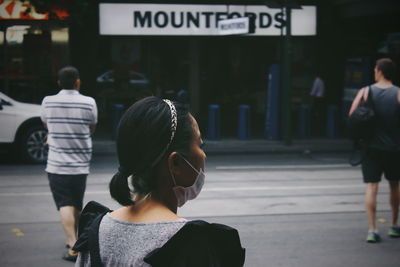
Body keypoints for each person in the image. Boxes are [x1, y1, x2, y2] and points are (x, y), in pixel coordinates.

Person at [73, 96, 245, 266]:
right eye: (200, 145)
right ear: (175, 163)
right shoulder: (190, 246)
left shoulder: (97, 230)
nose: (204, 155)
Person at [41, 66, 98, 260]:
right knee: (76, 202)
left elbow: (46, 125)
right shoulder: (89, 102)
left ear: (59, 83)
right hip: (81, 163)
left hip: (57, 163)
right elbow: (92, 127)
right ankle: (74, 239)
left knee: (65, 203)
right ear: (77, 82)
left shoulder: (48, 102)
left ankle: (73, 245)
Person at [349, 58, 400, 243]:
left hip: (371, 147)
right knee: (395, 185)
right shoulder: (398, 93)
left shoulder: (365, 91)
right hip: (394, 148)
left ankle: (372, 229)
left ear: (379, 71)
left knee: (372, 187)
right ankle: (394, 225)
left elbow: (352, 114)